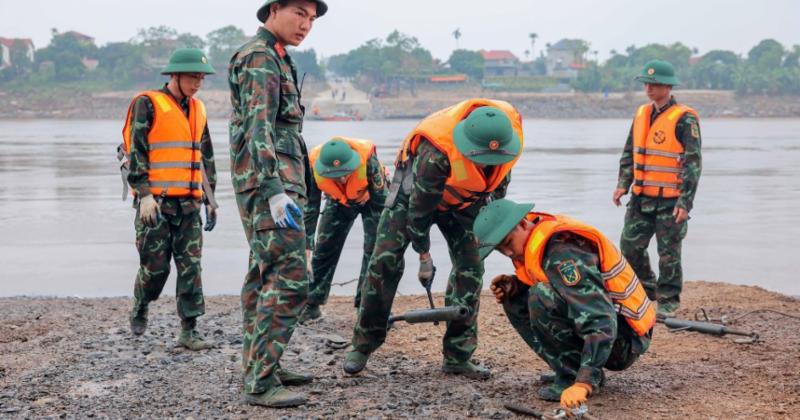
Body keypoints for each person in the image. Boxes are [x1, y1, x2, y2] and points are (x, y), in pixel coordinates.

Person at [343, 99, 525, 379]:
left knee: (471, 268)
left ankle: (458, 355)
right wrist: (424, 256)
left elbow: (496, 192)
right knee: (384, 262)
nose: (488, 163)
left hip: (466, 201)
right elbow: (419, 212)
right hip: (412, 197)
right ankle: (363, 344)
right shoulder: (437, 153)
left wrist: (488, 231)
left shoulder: (505, 141)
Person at [228, 0, 327, 408]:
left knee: (263, 276)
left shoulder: (277, 58)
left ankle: (262, 365)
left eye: (311, 18)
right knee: (290, 278)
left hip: (280, 186)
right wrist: (272, 190)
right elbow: (258, 125)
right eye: (299, 13)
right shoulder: (259, 57)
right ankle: (260, 382)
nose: (306, 24)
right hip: (270, 187)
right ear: (273, 10)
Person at [474, 199, 655, 408]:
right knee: (517, 298)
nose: (508, 253)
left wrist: (585, 382)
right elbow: (556, 284)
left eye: (507, 243)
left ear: (523, 224)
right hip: (615, 331)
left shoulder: (562, 252)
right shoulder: (537, 238)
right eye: (499, 249)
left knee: (540, 296)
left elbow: (600, 317)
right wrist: (517, 285)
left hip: (624, 341)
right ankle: (567, 369)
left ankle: (575, 376)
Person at [121, 48, 217, 350]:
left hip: (189, 204)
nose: (197, 82)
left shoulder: (199, 109)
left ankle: (189, 329)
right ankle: (141, 302)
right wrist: (144, 194)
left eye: (201, 77)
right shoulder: (147, 104)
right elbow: (136, 151)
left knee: (191, 267)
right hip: (157, 205)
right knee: (156, 268)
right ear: (174, 75)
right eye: (192, 76)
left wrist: (211, 198)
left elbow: (205, 157)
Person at [612, 59, 702, 317]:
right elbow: (630, 153)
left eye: (655, 84)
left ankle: (669, 300)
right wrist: (622, 185)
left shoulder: (685, 118)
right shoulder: (642, 114)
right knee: (629, 246)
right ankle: (648, 287)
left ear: (668, 86)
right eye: (647, 84)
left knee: (669, 253)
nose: (649, 88)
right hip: (641, 198)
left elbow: (693, 163)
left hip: (671, 202)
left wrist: (685, 203)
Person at [300, 137, 388, 321]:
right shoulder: (312, 164)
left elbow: (382, 203)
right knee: (323, 249)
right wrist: (307, 244)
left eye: (345, 173)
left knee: (374, 250)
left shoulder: (367, 159)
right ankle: (311, 305)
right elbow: (311, 207)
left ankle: (366, 307)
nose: (342, 178)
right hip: (338, 200)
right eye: (336, 175)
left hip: (370, 198)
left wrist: (369, 195)